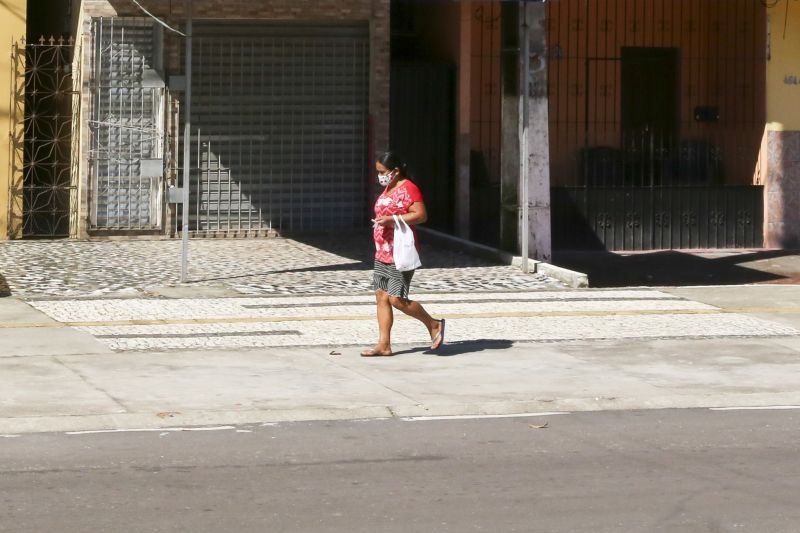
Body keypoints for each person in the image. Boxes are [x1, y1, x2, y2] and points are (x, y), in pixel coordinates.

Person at [361, 151, 445, 357]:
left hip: (400, 251)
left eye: (383, 172)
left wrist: (392, 220)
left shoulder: (409, 188)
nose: (380, 176)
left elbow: (421, 215)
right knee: (381, 296)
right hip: (382, 251)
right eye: (378, 172)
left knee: (396, 299)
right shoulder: (389, 188)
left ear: (396, 171)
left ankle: (434, 324)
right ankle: (384, 344)